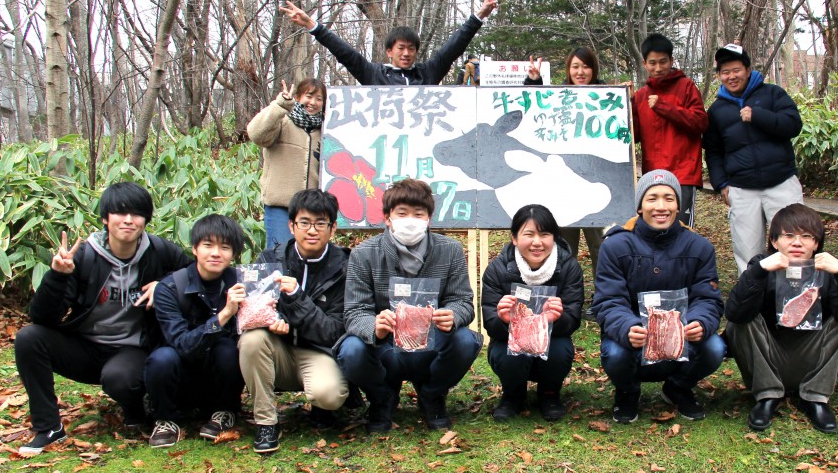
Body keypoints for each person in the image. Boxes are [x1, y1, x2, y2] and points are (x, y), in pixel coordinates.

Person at [14, 182, 191, 456]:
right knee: (29, 337)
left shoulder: (158, 251)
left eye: (137, 214)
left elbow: (193, 271)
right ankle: (48, 428)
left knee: (120, 378)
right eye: (120, 213)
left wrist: (164, 285)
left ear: (146, 220)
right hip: (84, 346)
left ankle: (133, 408)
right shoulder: (85, 256)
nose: (129, 220)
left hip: (132, 349)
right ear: (105, 218)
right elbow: (43, 317)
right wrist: (58, 276)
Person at [337, 179, 482, 432]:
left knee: (465, 340)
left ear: (429, 218)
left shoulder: (449, 250)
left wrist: (454, 315)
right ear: (387, 217)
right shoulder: (364, 254)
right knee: (351, 350)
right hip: (386, 348)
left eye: (419, 214)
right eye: (402, 213)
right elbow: (354, 312)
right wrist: (375, 326)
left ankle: (432, 395)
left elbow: (463, 301)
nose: (411, 220)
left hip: (431, 345)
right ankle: (382, 398)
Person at [592, 170, 726, 423]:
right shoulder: (616, 245)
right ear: (640, 206)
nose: (661, 206)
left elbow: (708, 298)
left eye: (669, 198)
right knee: (615, 353)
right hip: (635, 341)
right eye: (652, 198)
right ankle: (627, 392)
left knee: (715, 347)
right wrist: (628, 326)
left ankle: (678, 387)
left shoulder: (700, 247)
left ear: (678, 205)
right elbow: (608, 300)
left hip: (682, 337)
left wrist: (701, 321)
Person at [725, 204, 838, 433]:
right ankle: (767, 396)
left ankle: (815, 397)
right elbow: (734, 313)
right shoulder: (762, 264)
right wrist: (759, 271)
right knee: (741, 321)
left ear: (816, 243)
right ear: (774, 242)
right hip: (769, 355)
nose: (797, 242)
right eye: (788, 235)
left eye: (806, 236)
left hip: (812, 354)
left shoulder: (829, 270)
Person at [239, 189, 352, 454]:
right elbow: (254, 310)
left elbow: (334, 331)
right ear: (291, 225)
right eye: (304, 222)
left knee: (330, 395)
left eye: (320, 223)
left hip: (318, 352)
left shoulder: (345, 266)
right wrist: (273, 322)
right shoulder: (271, 260)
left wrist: (297, 297)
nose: (312, 230)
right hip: (278, 349)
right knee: (251, 339)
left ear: (332, 228)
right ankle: (266, 422)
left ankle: (321, 409)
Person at [147, 215, 248, 448]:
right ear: (194, 248)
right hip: (181, 373)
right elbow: (182, 344)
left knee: (228, 348)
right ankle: (166, 419)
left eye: (224, 247)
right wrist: (224, 315)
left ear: (233, 254)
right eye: (208, 245)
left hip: (221, 377)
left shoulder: (241, 282)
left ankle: (224, 412)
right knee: (161, 357)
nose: (216, 253)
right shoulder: (169, 288)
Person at [704, 43, 804, 272]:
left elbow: (793, 125)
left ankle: (796, 295)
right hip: (742, 188)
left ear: (748, 70)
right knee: (748, 252)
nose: (731, 76)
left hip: (781, 182)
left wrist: (757, 115)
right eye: (725, 72)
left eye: (736, 70)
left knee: (794, 243)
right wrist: (721, 184)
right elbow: (713, 151)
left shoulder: (772, 94)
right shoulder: (717, 110)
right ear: (719, 75)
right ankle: (753, 303)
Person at [481, 204, 585, 422]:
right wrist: (504, 320)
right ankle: (513, 395)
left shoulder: (568, 267)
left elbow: (573, 319)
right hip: (508, 341)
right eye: (529, 234)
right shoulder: (498, 269)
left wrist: (555, 319)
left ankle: (549, 394)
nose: (537, 242)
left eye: (545, 234)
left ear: (554, 237)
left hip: (552, 340)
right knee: (506, 352)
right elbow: (490, 325)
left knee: (560, 348)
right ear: (515, 238)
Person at [278, 0, 500, 86]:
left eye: (411, 49)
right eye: (401, 48)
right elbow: (345, 53)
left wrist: (479, 15)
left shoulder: (428, 73)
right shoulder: (374, 74)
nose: (406, 53)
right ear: (389, 51)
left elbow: (453, 48)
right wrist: (312, 25)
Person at [523, 47, 608, 269]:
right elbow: (535, 111)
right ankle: (565, 299)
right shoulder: (559, 95)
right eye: (575, 66)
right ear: (568, 70)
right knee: (563, 248)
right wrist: (534, 81)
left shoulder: (609, 96)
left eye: (586, 66)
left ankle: (605, 299)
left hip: (599, 184)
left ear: (594, 69)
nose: (581, 72)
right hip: (564, 186)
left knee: (603, 245)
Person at [631, 34, 709, 227]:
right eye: (652, 63)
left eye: (663, 62)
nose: (658, 68)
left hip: (683, 173)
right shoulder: (641, 96)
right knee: (653, 229)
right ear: (644, 64)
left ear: (672, 61)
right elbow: (636, 136)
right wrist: (627, 103)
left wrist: (664, 107)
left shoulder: (686, 87)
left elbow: (700, 122)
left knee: (681, 232)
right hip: (652, 174)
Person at [248, 78, 326, 248]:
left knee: (308, 260)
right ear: (298, 97)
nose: (313, 102)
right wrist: (280, 105)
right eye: (309, 96)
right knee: (279, 257)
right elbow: (256, 134)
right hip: (280, 207)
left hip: (312, 210)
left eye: (319, 99)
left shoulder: (325, 131)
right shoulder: (282, 121)